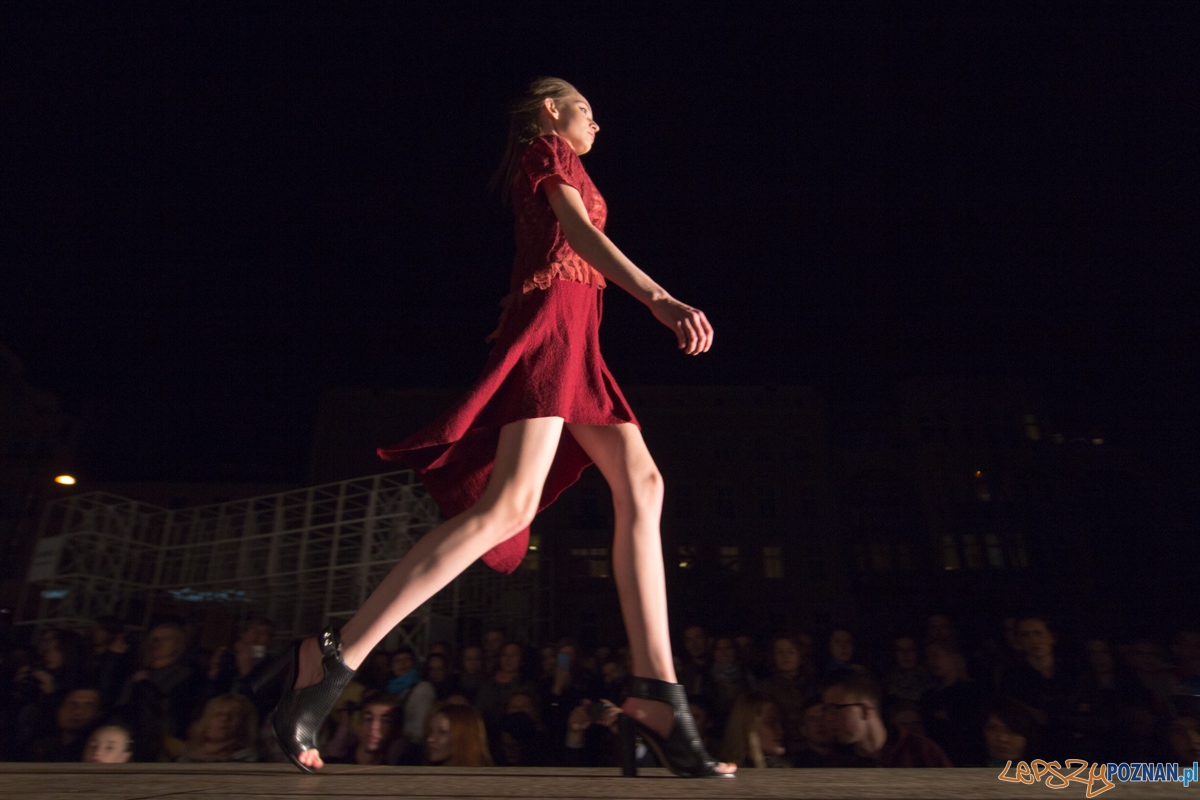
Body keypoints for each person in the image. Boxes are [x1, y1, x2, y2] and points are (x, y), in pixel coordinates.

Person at [268, 76, 732, 779]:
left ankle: (658, 696)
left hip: (578, 337)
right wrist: (660, 298)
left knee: (643, 486)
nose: (596, 125)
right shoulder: (547, 148)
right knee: (507, 508)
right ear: (550, 109)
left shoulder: (560, 155)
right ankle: (335, 656)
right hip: (555, 329)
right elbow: (578, 233)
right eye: (586, 110)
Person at [822, 669, 953, 768]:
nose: (828, 717)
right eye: (826, 709)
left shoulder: (922, 752)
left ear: (864, 710)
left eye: (836, 708)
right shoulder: (838, 763)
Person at [176, 693, 259, 762]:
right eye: (218, 714)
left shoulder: (250, 759)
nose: (225, 718)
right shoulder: (186, 758)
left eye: (234, 714)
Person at [720, 691, 790, 768]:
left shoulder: (784, 768)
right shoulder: (728, 771)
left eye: (781, 723)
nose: (781, 731)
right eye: (771, 723)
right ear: (748, 728)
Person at [424, 704, 494, 767]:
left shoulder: (487, 775)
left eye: (442, 732)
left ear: (464, 737)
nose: (430, 739)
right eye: (430, 731)